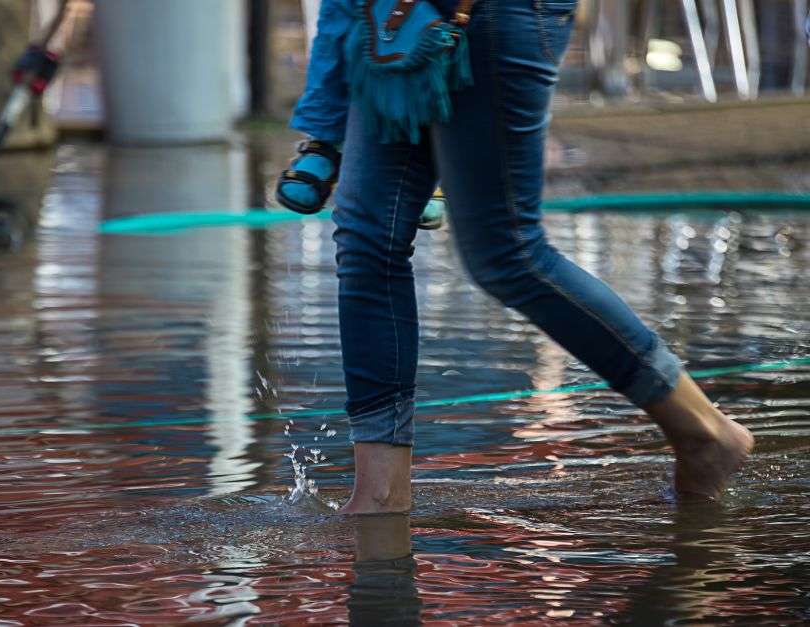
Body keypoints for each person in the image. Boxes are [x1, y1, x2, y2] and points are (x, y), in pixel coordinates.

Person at [282, 0, 754, 513]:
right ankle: (379, 492)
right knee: (366, 241)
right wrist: (325, 126)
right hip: (393, 19)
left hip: (488, 16)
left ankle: (704, 430)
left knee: (507, 253)